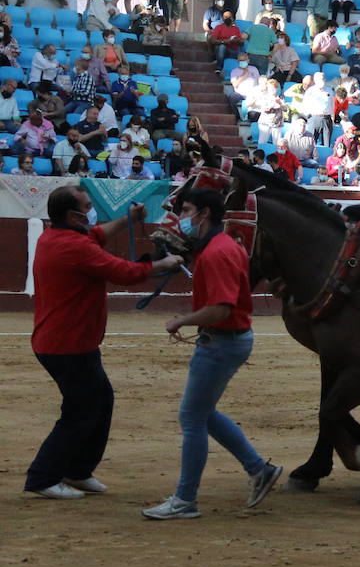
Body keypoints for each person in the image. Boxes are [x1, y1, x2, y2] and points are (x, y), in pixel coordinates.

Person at [25, 189, 181, 499]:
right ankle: (43, 477)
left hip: (67, 342)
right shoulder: (75, 247)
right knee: (81, 412)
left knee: (98, 403)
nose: (91, 211)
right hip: (68, 345)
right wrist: (164, 263)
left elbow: (97, 233)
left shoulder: (57, 236)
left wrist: (127, 220)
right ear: (74, 216)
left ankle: (78, 470)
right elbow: (122, 272)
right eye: (87, 207)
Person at [143, 188, 282, 520]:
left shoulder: (216, 253)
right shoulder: (225, 246)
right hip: (229, 338)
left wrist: (181, 321)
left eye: (187, 209)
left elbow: (220, 309)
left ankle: (185, 500)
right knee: (203, 413)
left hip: (222, 340)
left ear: (204, 214)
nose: (182, 217)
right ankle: (258, 469)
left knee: (192, 418)